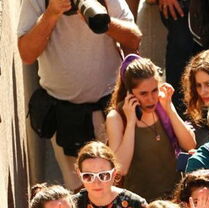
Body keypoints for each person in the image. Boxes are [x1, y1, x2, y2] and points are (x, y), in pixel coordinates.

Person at [16, 0, 141, 189]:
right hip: (64, 113)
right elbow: (26, 54)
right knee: (79, 189)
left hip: (107, 109)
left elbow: (134, 38)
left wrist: (101, 21)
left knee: (115, 183)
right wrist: (51, 14)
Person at [105, 55, 196, 201]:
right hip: (140, 205)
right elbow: (121, 168)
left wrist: (169, 108)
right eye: (143, 93)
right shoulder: (116, 117)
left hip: (174, 199)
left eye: (154, 90)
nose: (151, 99)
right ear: (130, 93)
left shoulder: (163, 103)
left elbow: (190, 144)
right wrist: (130, 122)